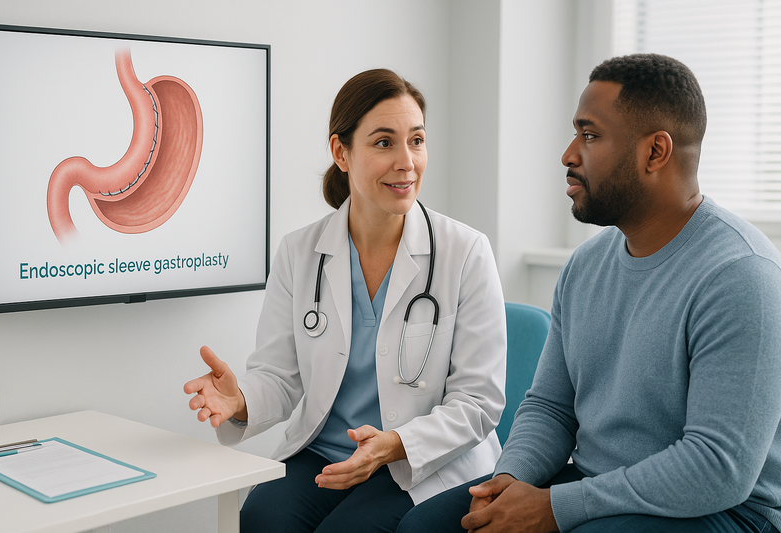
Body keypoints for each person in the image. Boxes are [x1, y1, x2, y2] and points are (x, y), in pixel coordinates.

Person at [396, 53, 781, 533]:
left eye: (590, 135)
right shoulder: (586, 265)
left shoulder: (741, 275)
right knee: (425, 528)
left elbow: (717, 468)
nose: (569, 154)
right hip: (595, 481)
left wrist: (556, 508)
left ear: (655, 152)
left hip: (722, 510)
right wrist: (508, 481)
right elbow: (550, 406)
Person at [183, 68, 506, 533]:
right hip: (327, 451)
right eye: (383, 143)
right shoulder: (300, 252)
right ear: (341, 152)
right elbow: (279, 376)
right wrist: (241, 402)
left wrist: (394, 443)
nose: (406, 162)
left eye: (416, 140)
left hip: (423, 457)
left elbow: (478, 401)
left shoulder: (465, 252)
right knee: (259, 519)